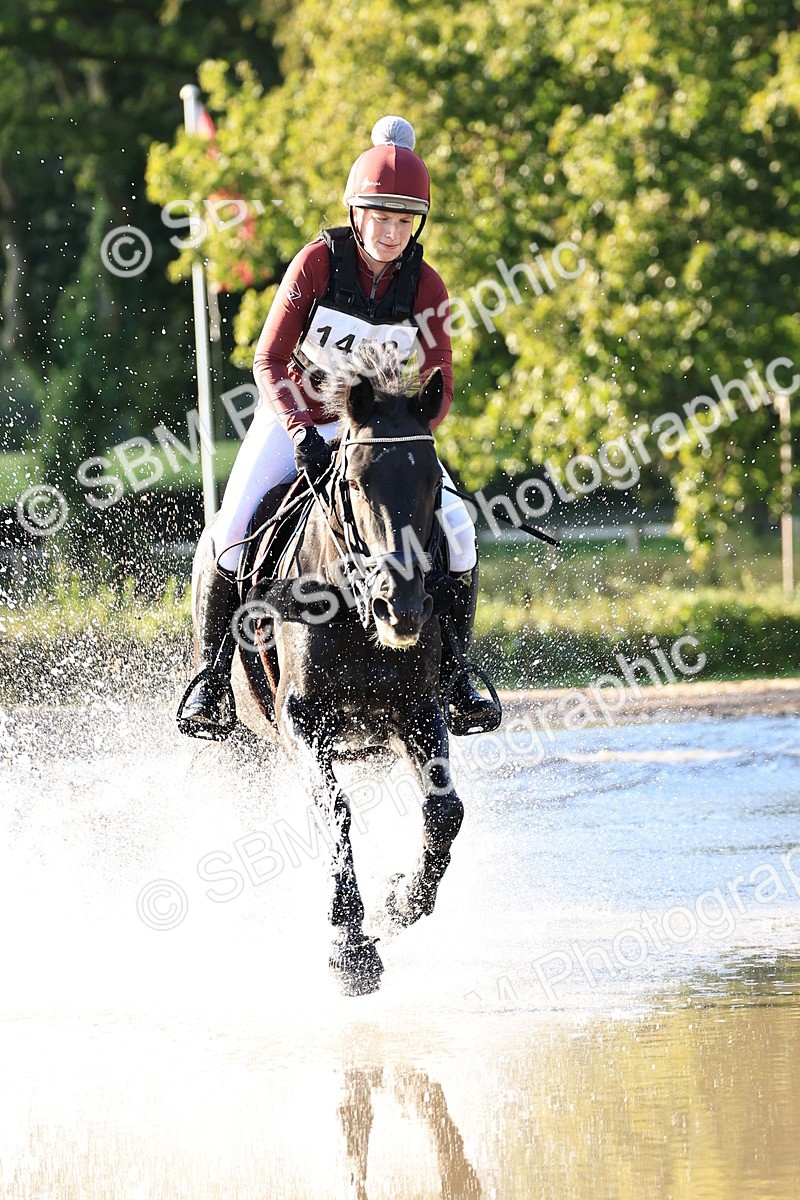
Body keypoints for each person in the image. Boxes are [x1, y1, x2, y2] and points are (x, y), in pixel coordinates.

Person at [178, 115, 498, 738]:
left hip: (377, 435)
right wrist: (301, 431)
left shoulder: (426, 286)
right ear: (356, 213)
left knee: (460, 533)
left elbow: (440, 377)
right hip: (294, 420)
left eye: (404, 221)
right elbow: (269, 360)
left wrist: (409, 432)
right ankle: (210, 682)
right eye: (380, 217)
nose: (391, 232)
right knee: (234, 528)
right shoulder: (317, 265)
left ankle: (457, 675)